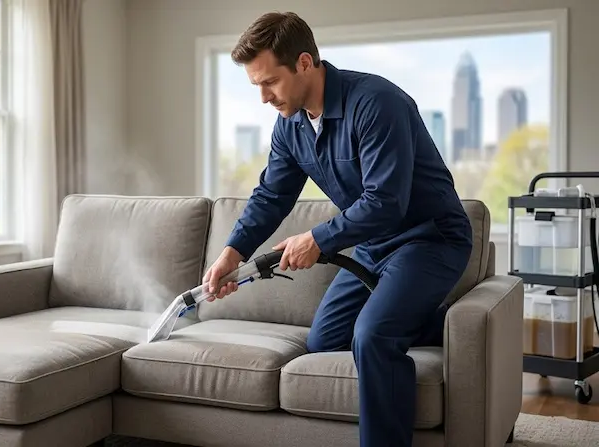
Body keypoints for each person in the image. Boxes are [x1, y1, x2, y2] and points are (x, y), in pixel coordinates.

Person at [202, 11, 474, 447]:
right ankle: (438, 322)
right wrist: (231, 253)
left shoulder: (377, 103)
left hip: (429, 238)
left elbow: (386, 201)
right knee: (324, 338)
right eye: (256, 86)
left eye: (269, 82)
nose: (264, 97)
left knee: (372, 337)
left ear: (305, 63)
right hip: (371, 245)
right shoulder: (290, 126)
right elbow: (272, 194)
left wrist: (318, 239)